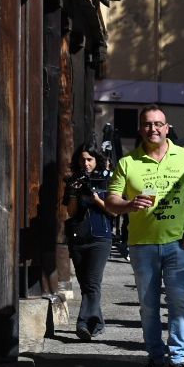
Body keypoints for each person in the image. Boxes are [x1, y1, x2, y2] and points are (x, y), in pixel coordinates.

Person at [105, 105, 184, 367]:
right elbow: (111, 201)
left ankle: (178, 360)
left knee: (178, 304)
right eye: (148, 124)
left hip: (178, 243)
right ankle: (155, 358)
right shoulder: (128, 162)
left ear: (167, 127)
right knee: (148, 306)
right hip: (142, 245)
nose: (153, 129)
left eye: (158, 124)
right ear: (141, 129)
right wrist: (129, 204)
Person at [63, 145, 115, 340]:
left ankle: (83, 323)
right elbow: (71, 212)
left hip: (100, 237)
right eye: (82, 159)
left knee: (92, 282)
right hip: (78, 237)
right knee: (86, 284)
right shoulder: (73, 181)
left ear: (97, 161)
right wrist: (75, 193)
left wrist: (95, 198)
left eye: (90, 159)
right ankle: (98, 322)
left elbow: (113, 211)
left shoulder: (107, 180)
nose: (86, 163)